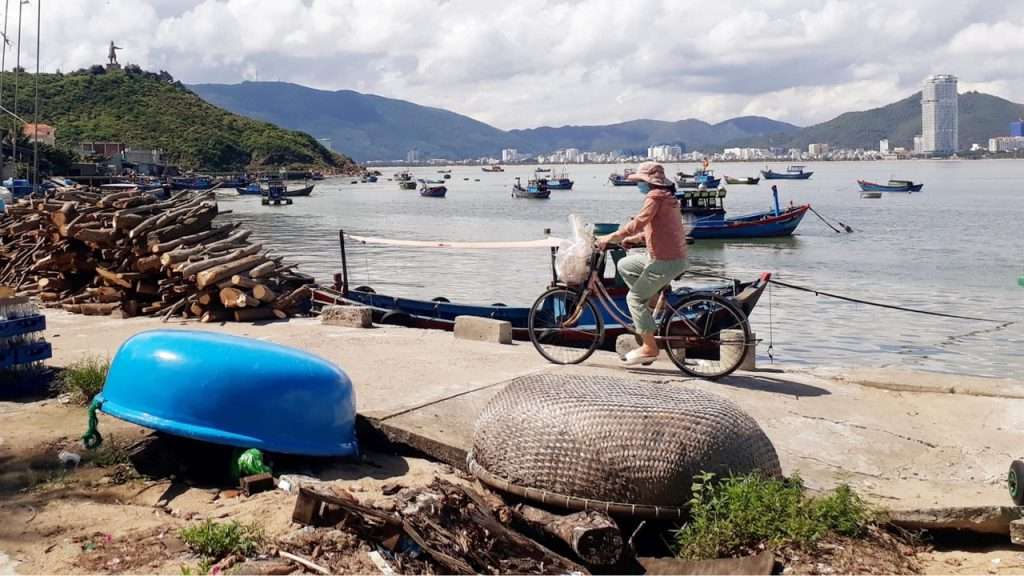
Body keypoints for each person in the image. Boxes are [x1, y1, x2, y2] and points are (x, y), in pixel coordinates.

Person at [596, 161, 688, 365]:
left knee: (634, 299)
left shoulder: (655, 197)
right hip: (665, 257)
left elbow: (637, 223)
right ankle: (653, 304)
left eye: (640, 181)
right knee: (625, 266)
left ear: (649, 183)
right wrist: (634, 240)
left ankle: (649, 347)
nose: (639, 185)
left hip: (666, 261)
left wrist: (610, 237)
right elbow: (659, 230)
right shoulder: (668, 197)